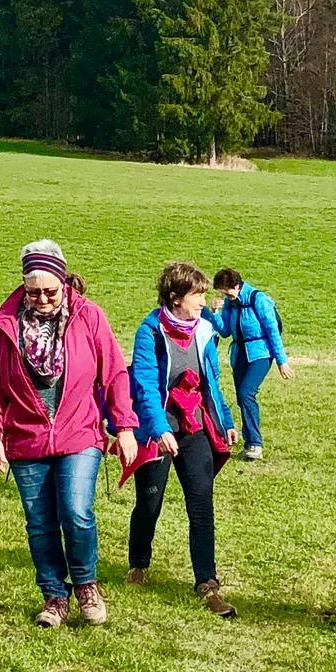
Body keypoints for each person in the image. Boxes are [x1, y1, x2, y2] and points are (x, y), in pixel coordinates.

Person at [0, 240, 139, 628]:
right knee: (40, 522)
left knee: (77, 512)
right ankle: (53, 596)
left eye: (50, 291)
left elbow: (114, 373)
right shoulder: (4, 326)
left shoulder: (89, 316)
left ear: (64, 282)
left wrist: (125, 426)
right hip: (26, 439)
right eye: (34, 292)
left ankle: (86, 586)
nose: (43, 299)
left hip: (80, 433)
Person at [127, 262, 239, 618]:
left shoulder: (206, 331)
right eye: (197, 295)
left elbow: (211, 382)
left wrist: (226, 420)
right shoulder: (150, 332)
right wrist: (159, 429)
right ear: (175, 298)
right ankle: (139, 564)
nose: (203, 302)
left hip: (194, 428)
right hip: (157, 430)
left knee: (201, 505)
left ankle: (207, 582)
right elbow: (144, 384)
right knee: (149, 502)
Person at [210, 268, 293, 461]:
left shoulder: (259, 300)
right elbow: (224, 333)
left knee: (247, 392)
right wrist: (215, 313)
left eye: (225, 290)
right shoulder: (231, 303)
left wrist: (282, 361)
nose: (224, 295)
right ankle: (250, 444)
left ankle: (255, 444)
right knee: (242, 397)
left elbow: (273, 331)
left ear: (236, 286)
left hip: (261, 353)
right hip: (239, 354)